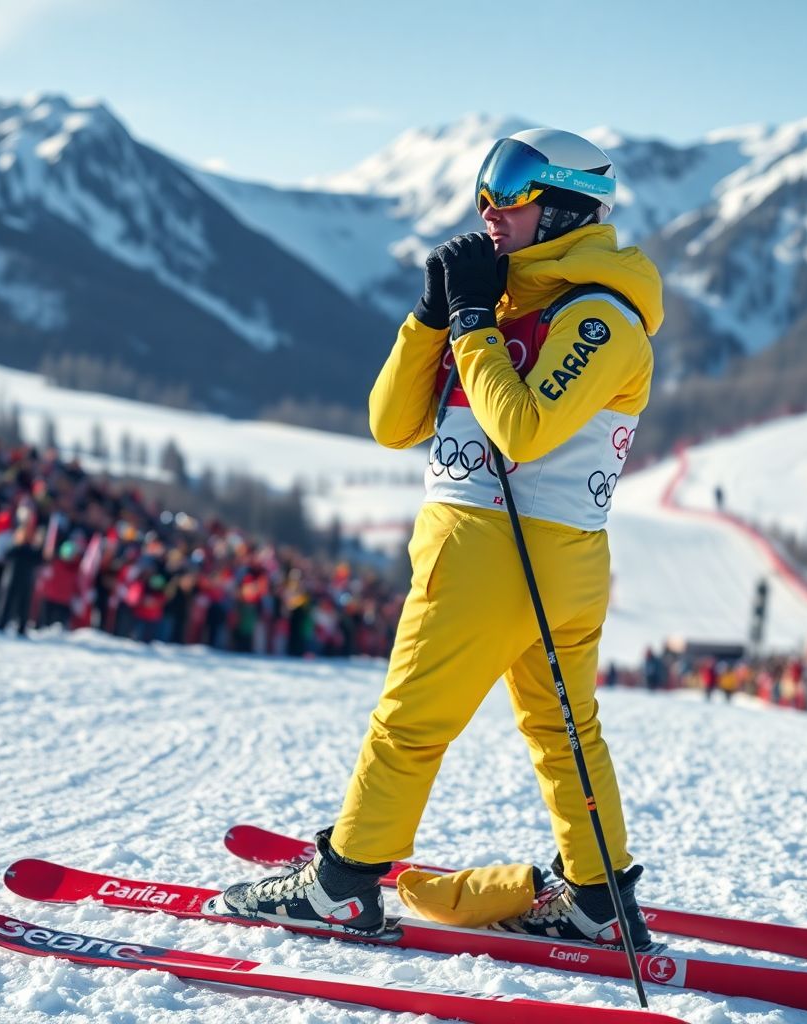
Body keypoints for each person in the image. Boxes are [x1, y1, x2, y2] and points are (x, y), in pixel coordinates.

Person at [255, 132, 661, 945]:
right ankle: (595, 898)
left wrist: (473, 323)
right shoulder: (510, 302)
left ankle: (341, 887)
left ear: (566, 205)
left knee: (411, 724)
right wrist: (431, 320)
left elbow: (521, 429)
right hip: (543, 560)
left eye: (509, 188)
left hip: (494, 554)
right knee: (563, 732)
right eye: (484, 187)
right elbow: (391, 423)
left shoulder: (600, 314)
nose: (488, 208)